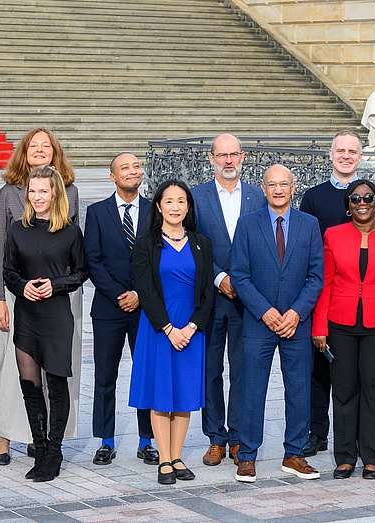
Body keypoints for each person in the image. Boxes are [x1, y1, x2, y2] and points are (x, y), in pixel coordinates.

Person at [0, 128, 83, 465]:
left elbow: (74, 250)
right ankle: (8, 435)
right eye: (33, 146)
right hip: (18, 294)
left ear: (54, 152)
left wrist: (61, 286)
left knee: (56, 372)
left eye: (46, 146)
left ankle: (43, 440)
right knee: (15, 372)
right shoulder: (8, 193)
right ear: (24, 153)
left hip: (60, 297)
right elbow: (0, 247)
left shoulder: (69, 191)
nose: (40, 151)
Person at [230, 164, 324, 483]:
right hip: (260, 323)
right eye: (272, 185)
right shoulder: (247, 224)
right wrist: (265, 311)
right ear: (264, 188)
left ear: (293, 187)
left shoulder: (310, 225)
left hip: (296, 324)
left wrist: (297, 312)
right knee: (252, 390)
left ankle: (294, 454)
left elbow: (316, 276)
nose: (279, 190)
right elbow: (239, 275)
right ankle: (247, 456)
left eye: (284, 184)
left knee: (298, 390)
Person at [298, 130, 375, 458]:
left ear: (360, 156)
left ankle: (361, 443)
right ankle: (317, 432)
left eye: (353, 151)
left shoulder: (372, 194)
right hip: (322, 292)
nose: (346, 155)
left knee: (358, 378)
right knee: (319, 371)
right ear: (331, 153)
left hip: (362, 301)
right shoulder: (313, 197)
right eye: (341, 150)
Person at [311, 179, 375, 480]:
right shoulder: (333, 235)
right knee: (343, 391)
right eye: (355, 199)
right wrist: (319, 326)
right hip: (339, 323)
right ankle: (344, 456)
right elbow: (325, 283)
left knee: (374, 390)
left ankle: (372, 457)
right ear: (348, 206)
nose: (362, 203)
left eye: (368, 197)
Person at [3, 165, 88, 482]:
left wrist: (57, 284)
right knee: (30, 386)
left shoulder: (70, 231)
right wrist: (20, 285)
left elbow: (81, 272)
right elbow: (8, 271)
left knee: (56, 385)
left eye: (43, 191)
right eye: (32, 191)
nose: (37, 196)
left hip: (56, 317)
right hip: (27, 316)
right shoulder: (18, 230)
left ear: (55, 194)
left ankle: (54, 453)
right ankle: (39, 449)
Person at [130, 180, 215, 484]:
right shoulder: (146, 243)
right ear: (158, 206)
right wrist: (168, 328)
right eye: (169, 201)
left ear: (188, 207)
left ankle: (177, 456)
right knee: (161, 394)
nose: (175, 207)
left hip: (191, 330)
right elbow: (146, 290)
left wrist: (191, 328)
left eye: (181, 201)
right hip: (158, 328)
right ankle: (164, 460)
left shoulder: (202, 243)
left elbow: (207, 293)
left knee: (184, 394)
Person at [191, 134, 266, 467]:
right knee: (210, 371)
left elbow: (264, 245)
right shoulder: (196, 198)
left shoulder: (257, 196)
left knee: (243, 370)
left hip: (246, 301)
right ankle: (215, 438)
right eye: (222, 155)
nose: (228, 161)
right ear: (211, 159)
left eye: (233, 154)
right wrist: (221, 277)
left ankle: (237, 437)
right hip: (210, 297)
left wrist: (243, 282)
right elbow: (191, 246)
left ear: (243, 156)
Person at [83, 153, 158, 466]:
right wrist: (119, 294)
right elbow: (93, 261)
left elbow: (160, 256)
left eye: (136, 166)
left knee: (145, 374)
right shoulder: (97, 212)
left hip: (146, 307)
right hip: (108, 307)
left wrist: (140, 294)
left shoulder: (155, 210)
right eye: (125, 167)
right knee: (105, 375)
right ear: (112, 176)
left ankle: (147, 440)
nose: (133, 171)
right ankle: (106, 440)